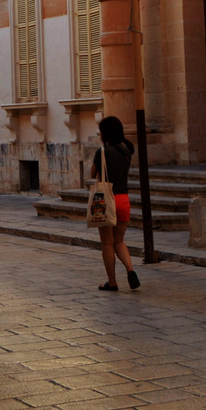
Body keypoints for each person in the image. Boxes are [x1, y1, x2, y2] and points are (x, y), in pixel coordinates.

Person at [90, 116, 140, 291]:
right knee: (119, 241)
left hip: (105, 200)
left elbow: (92, 174)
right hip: (123, 199)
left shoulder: (102, 152)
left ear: (105, 133)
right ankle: (130, 269)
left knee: (107, 243)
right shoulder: (127, 151)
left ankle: (112, 282)